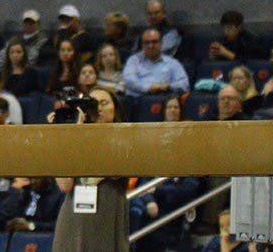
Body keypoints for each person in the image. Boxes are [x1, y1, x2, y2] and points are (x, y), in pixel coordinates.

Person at [51, 87, 129, 251]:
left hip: (107, 211)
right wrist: (60, 136)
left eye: (104, 103)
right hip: (74, 215)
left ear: (115, 108)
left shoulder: (125, 137)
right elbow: (65, 185)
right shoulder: (75, 138)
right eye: (93, 104)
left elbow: (114, 172)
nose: (98, 108)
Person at [122, 29, 190, 98]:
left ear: (161, 43)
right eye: (146, 43)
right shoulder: (133, 60)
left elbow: (184, 84)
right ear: (142, 45)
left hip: (163, 101)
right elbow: (129, 81)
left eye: (154, 42)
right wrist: (149, 88)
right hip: (138, 101)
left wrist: (168, 86)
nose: (150, 46)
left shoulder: (172, 63)